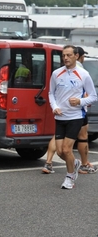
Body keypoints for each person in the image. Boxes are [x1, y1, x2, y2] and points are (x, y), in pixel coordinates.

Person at [48, 45, 97, 189]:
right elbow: (51, 93)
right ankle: (74, 163)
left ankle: (69, 178)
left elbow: (93, 96)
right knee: (60, 151)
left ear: (76, 56)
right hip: (60, 117)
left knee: (67, 150)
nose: (66, 58)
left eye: (69, 55)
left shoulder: (83, 74)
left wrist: (80, 101)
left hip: (75, 116)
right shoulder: (56, 73)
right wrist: (54, 107)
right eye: (64, 55)